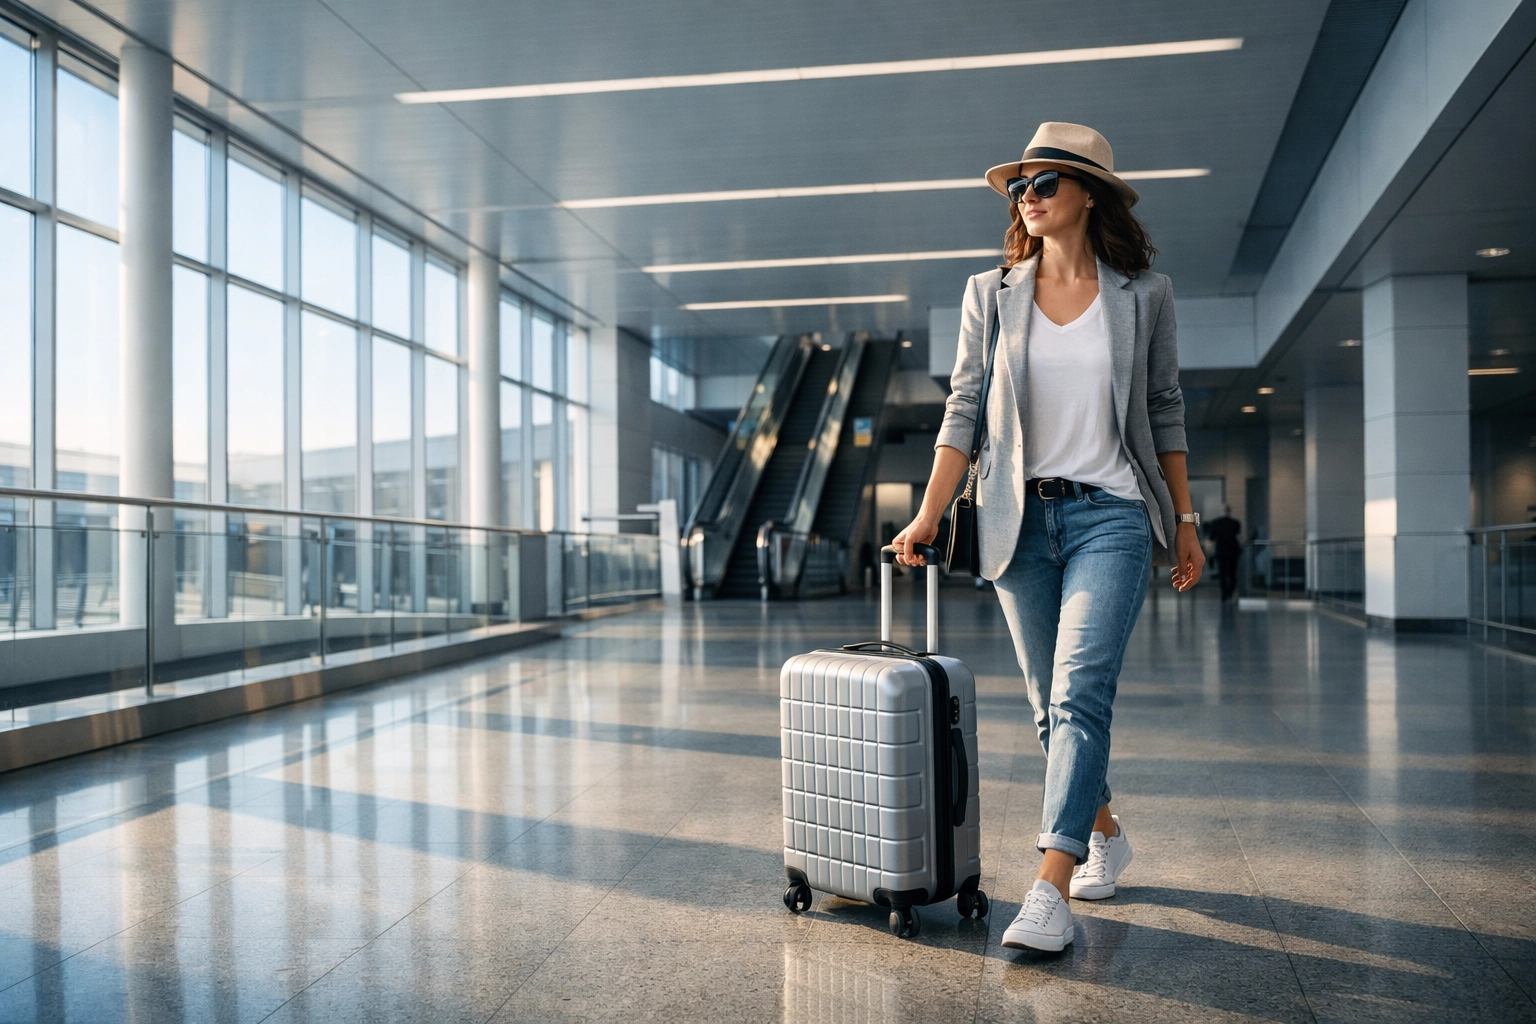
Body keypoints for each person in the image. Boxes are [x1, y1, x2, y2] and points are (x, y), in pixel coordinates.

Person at [891, 123, 1204, 952]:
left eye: (1043, 185)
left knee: (1078, 695)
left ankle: (1047, 888)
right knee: (1047, 708)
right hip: (1017, 520)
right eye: (1017, 189)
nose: (1026, 199)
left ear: (1088, 194)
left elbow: (1165, 409)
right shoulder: (990, 293)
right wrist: (927, 513)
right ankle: (1104, 831)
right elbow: (962, 410)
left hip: (1111, 514)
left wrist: (1183, 519)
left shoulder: (1146, 294)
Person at [1205, 505, 1243, 600]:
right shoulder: (1235, 523)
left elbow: (1211, 538)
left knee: (1222, 573)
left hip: (1221, 550)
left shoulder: (1215, 523)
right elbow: (1239, 537)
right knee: (1232, 573)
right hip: (1233, 550)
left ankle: (1224, 593)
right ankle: (1230, 591)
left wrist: (1209, 551)